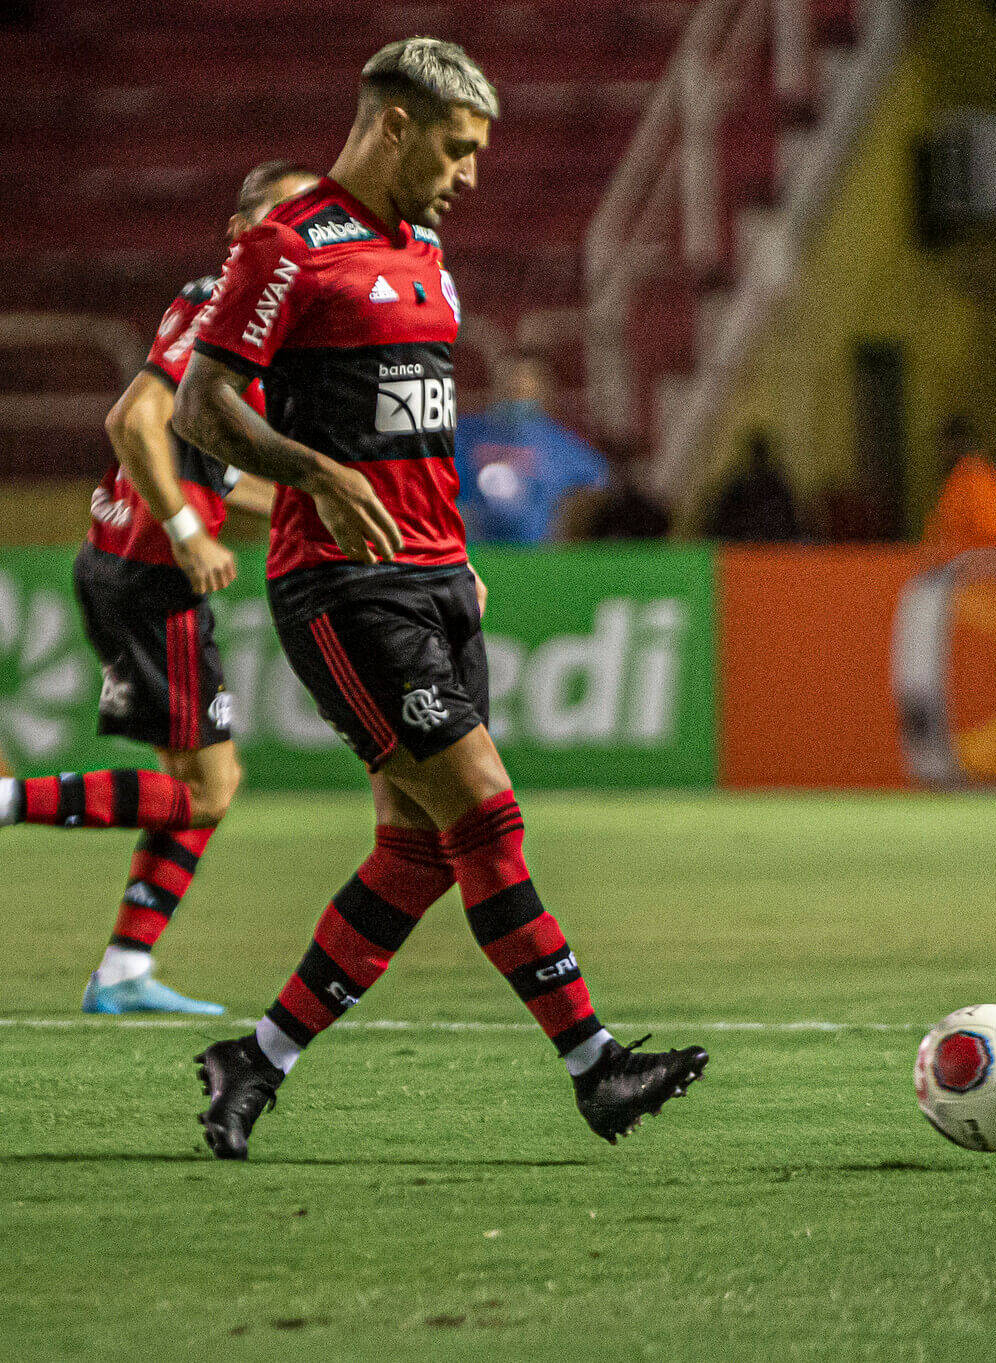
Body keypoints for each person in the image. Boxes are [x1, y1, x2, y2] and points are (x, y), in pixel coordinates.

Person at [171, 37, 707, 1160]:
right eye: (456, 150)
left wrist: (453, 552)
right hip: (342, 583)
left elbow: (413, 423)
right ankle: (594, 1065)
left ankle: (254, 1061)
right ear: (395, 125)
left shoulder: (421, 246)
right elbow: (199, 406)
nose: (469, 175)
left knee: (416, 853)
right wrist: (313, 472)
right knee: (486, 814)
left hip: (436, 578)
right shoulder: (290, 246)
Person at [0, 161, 318, 1016]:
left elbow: (199, 459)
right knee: (212, 787)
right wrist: (185, 531)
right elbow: (131, 418)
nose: (300, 234)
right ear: (239, 229)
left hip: (119, 561)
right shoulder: (225, 299)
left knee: (192, 780)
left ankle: (123, 969)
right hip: (150, 573)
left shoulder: (235, 310)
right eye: (281, 217)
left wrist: (304, 500)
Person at [452, 354, 608, 543]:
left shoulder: (559, 443)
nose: (515, 394)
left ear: (542, 392)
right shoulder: (466, 435)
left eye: (522, 388)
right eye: (509, 386)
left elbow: (597, 483)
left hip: (536, 553)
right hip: (476, 551)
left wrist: (567, 526)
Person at [923, 416, 996, 552]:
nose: (941, 453)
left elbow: (991, 536)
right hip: (967, 560)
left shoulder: (976, 478)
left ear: (956, 444)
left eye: (944, 445)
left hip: (976, 561)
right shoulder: (963, 475)